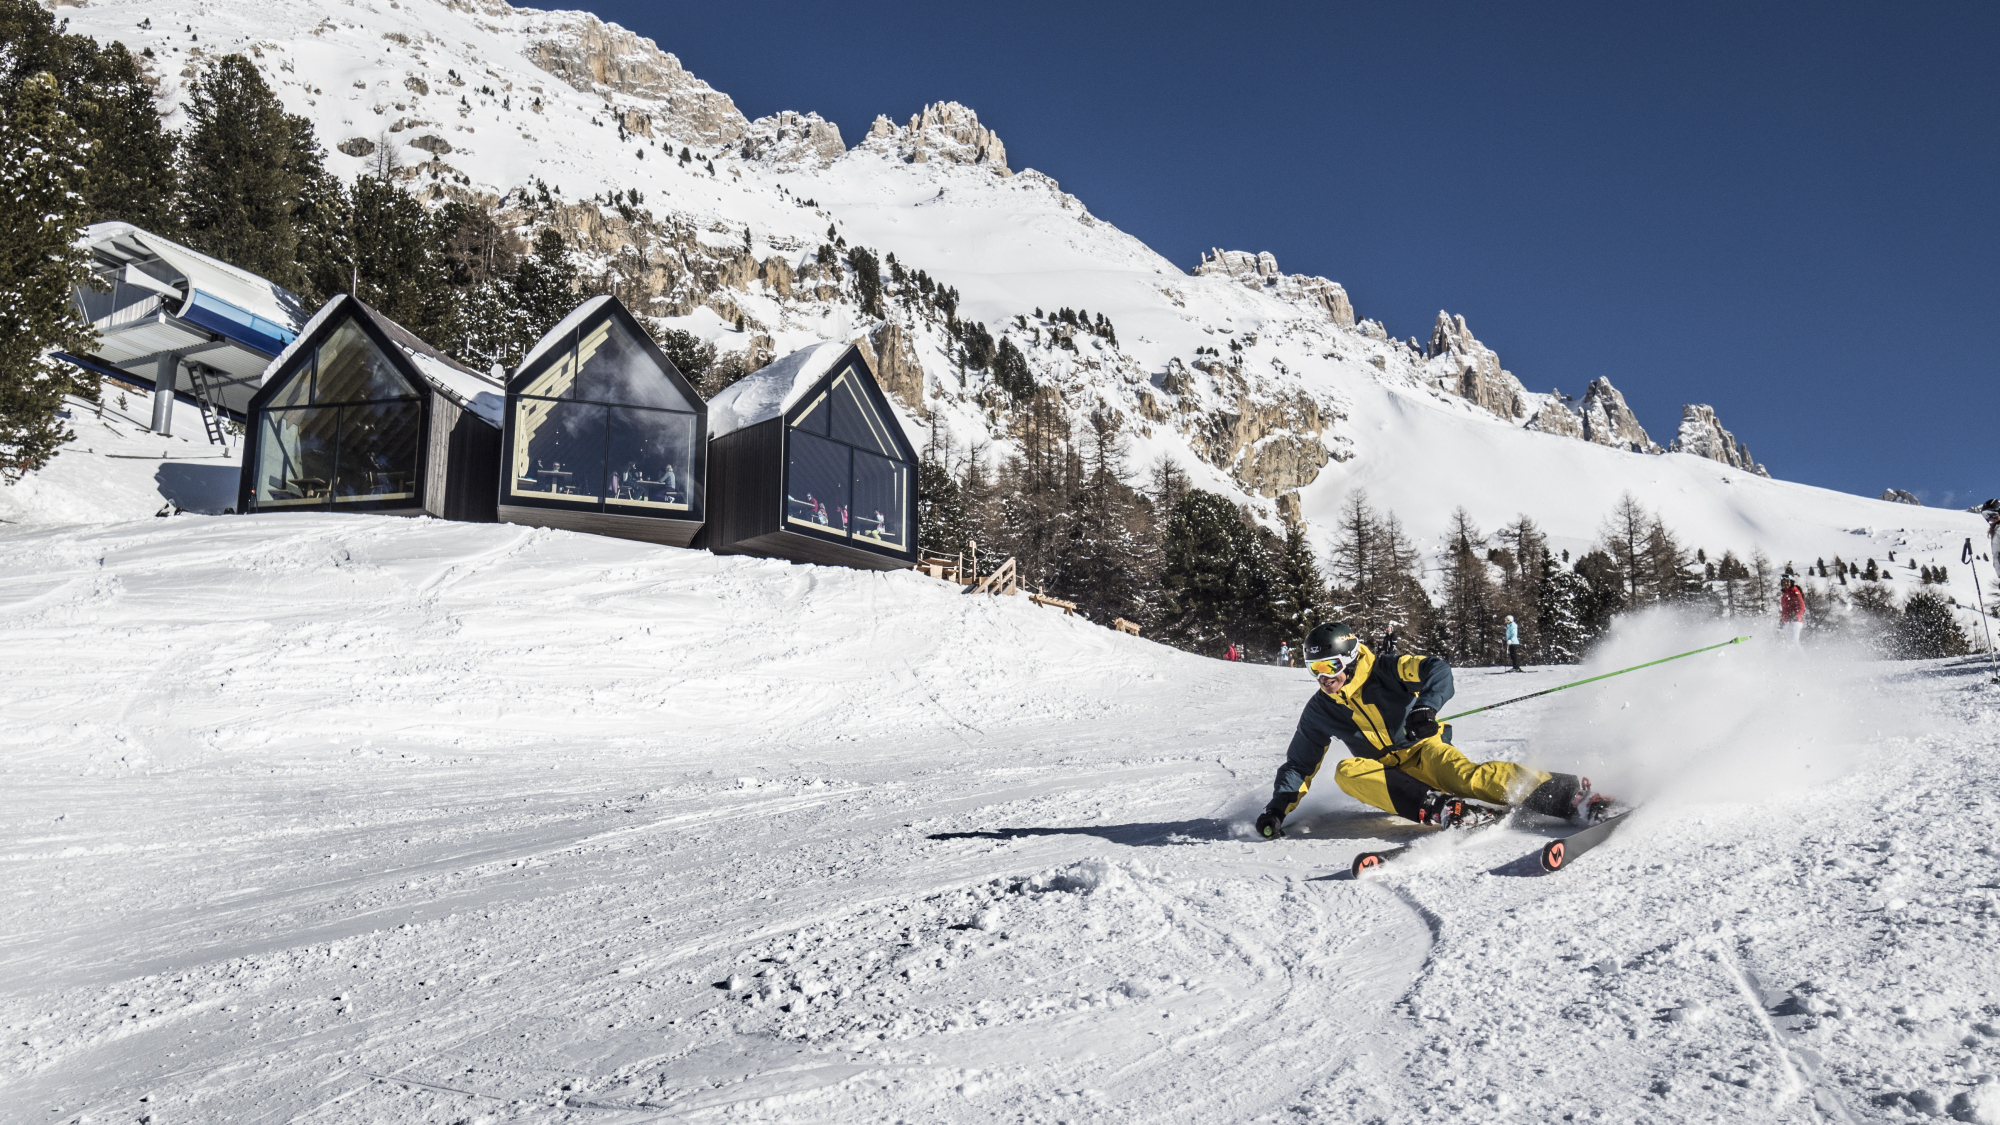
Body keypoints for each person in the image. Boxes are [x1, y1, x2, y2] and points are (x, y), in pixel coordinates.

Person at [1254, 622, 1593, 838]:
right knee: (1347, 771)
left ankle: (1571, 797)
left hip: (1424, 749)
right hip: (1388, 775)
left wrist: (1425, 707)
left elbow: (1437, 670)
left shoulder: (1386, 670)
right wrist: (1276, 809)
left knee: (1468, 778)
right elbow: (1300, 764)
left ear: (1351, 657)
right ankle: (1436, 807)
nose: (1324, 678)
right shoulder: (1320, 708)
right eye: (1315, 670)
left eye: (1330, 666)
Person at [1779, 575, 1806, 646]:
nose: (1786, 583)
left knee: (1794, 642)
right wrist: (1782, 620)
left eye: (1787, 582)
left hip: (1795, 621)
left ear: (1791, 582)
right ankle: (1790, 657)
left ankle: (1802, 657)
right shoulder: (1784, 595)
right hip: (1787, 622)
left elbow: (1802, 606)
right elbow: (1785, 610)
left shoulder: (1795, 592)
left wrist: (1796, 615)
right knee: (1788, 643)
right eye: (1784, 582)